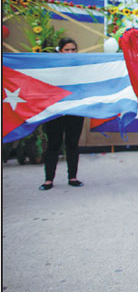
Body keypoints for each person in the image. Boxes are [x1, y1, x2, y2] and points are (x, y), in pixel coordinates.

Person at [39, 38, 85, 191]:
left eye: (73, 49)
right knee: (53, 144)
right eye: (67, 49)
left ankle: (73, 177)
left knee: (72, 144)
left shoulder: (82, 67)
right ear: (59, 51)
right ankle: (48, 179)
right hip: (55, 111)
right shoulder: (51, 67)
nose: (71, 52)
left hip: (75, 111)